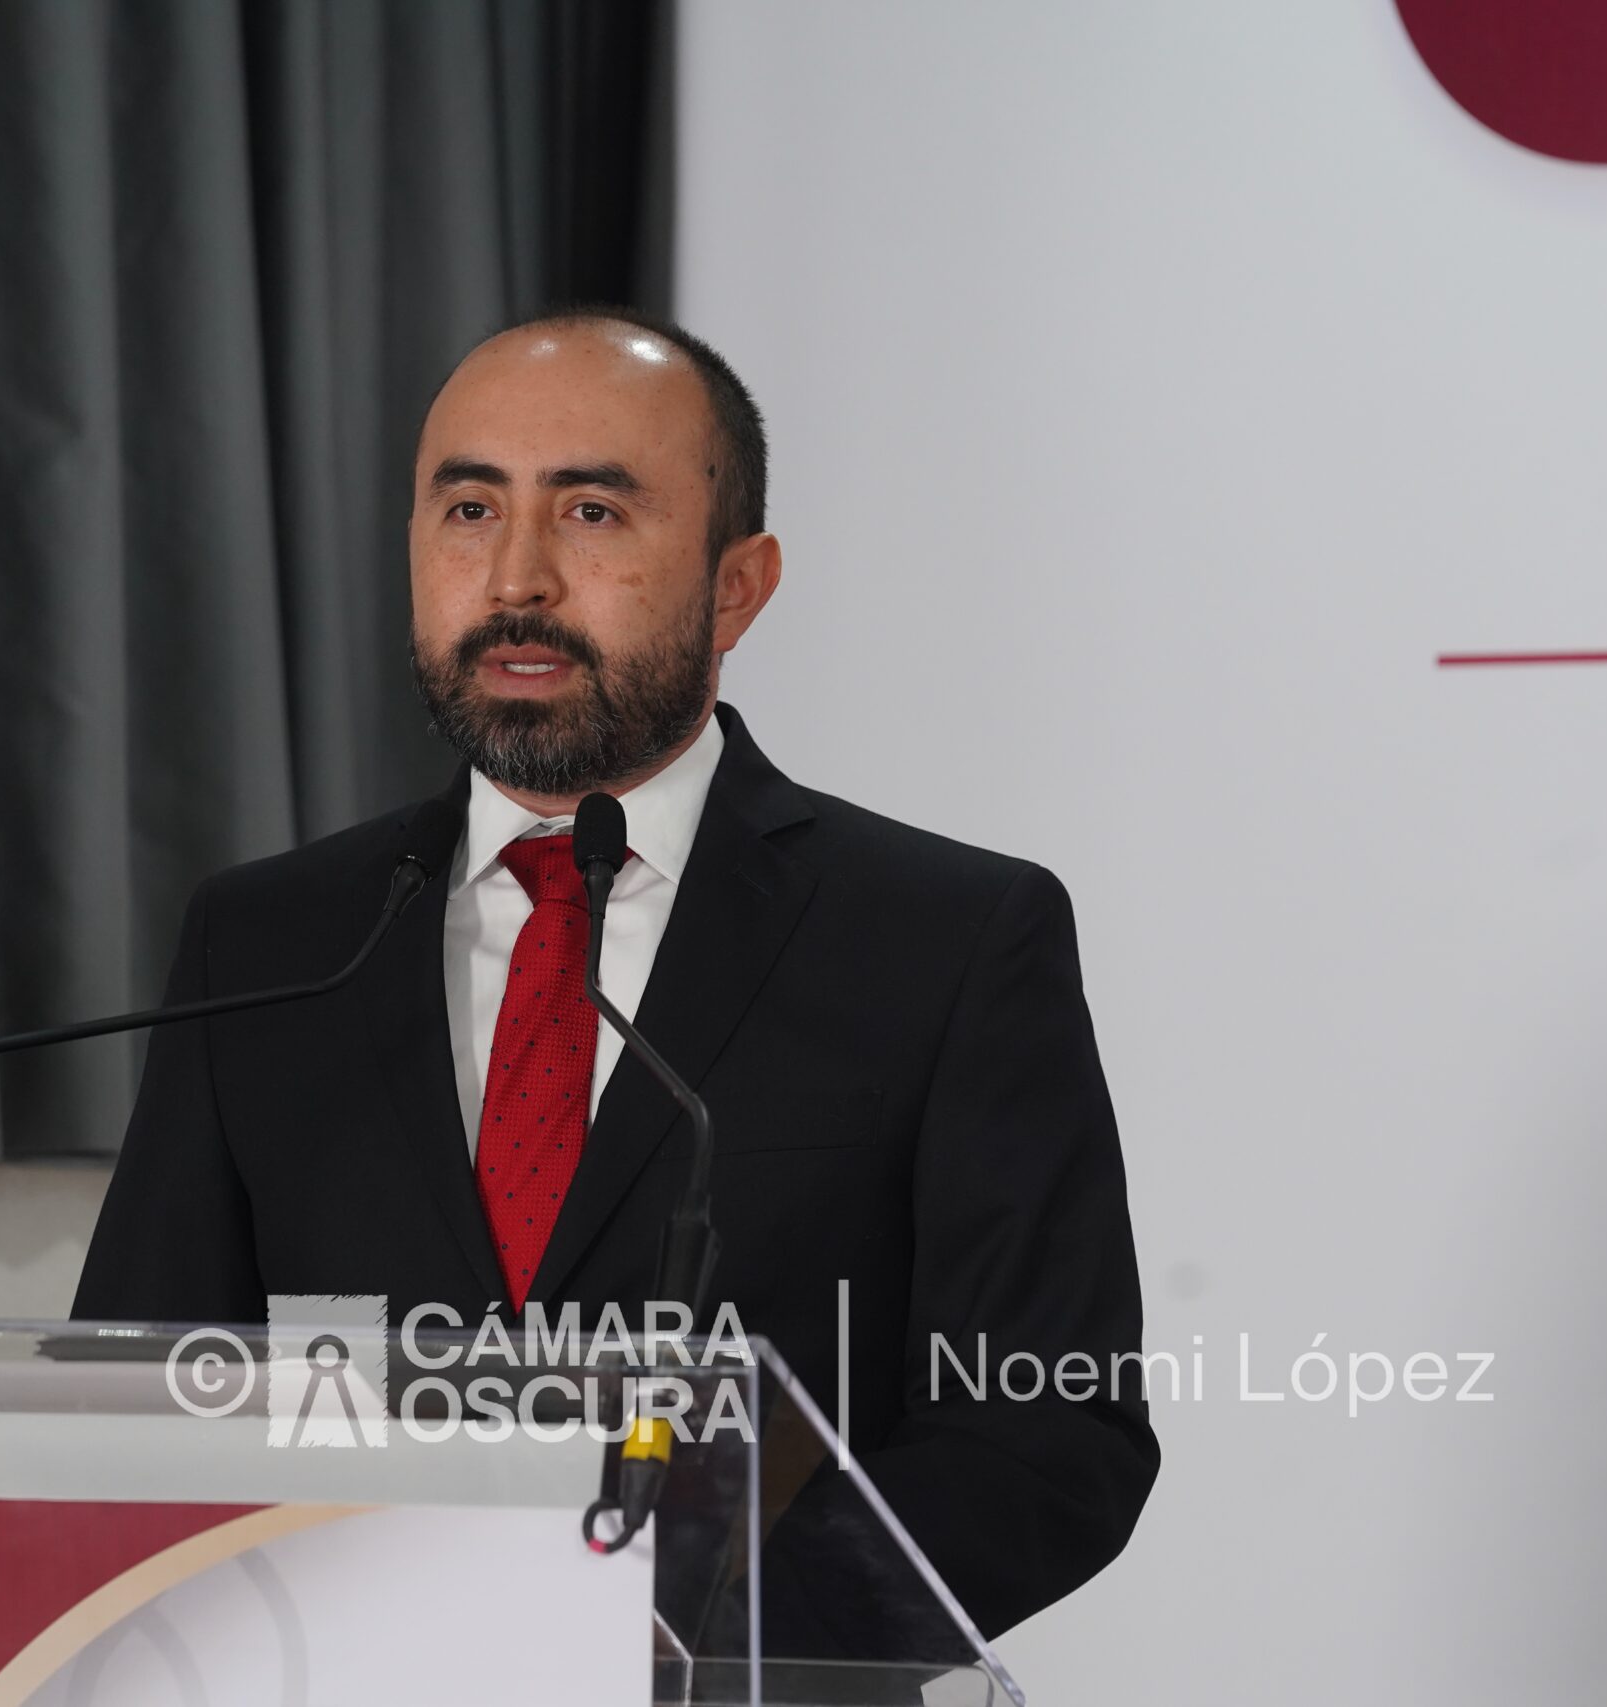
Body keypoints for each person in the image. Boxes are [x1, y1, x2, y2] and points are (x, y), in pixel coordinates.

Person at [73, 311, 1158, 1642]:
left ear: (737, 586)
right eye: (469, 510)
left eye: (590, 513)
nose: (516, 578)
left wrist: (658, 1627)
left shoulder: (947, 938)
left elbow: (1050, 1438)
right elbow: (135, 1397)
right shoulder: (269, 941)